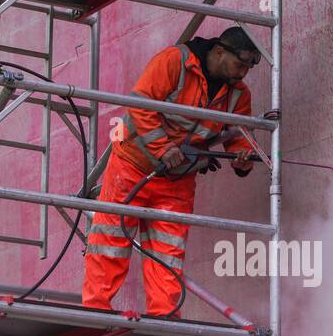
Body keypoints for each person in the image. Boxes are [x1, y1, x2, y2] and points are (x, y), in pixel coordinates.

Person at [81, 26, 260, 317]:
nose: (243, 73)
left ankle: (164, 315)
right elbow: (140, 106)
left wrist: (243, 160)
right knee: (111, 239)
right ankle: (94, 311)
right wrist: (164, 148)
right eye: (240, 65)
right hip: (132, 166)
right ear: (219, 51)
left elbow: (238, 134)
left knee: (168, 250)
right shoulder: (174, 62)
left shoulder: (238, 94)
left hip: (178, 179)